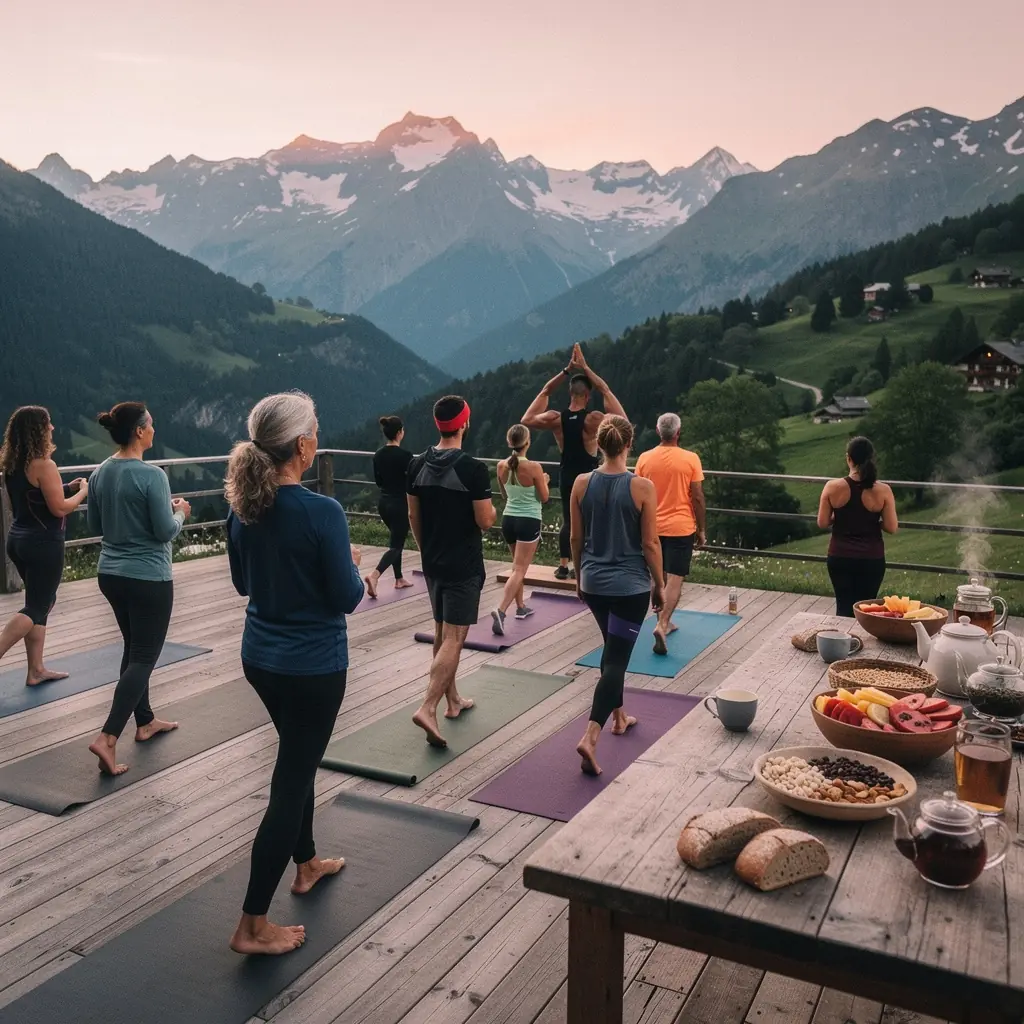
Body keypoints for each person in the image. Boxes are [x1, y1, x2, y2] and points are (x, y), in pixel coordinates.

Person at [225, 391, 364, 956]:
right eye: (317, 429)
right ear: (304, 446)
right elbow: (347, 597)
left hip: (261, 659)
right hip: (312, 668)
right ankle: (252, 924)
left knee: (297, 760)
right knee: (289, 781)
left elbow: (242, 584)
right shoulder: (322, 512)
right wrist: (354, 571)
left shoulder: (245, 507)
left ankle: (305, 864)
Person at [86, 403, 191, 776]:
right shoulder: (153, 476)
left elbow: (95, 523)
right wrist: (182, 512)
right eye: (151, 423)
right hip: (148, 577)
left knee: (134, 650)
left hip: (110, 575)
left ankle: (144, 721)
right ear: (140, 432)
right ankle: (108, 737)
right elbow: (165, 531)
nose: (154, 428)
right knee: (145, 656)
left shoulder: (99, 473)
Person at [570, 416, 664, 776]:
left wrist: (580, 576)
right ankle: (591, 737)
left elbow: (576, 539)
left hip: (594, 583)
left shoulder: (581, 483)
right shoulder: (642, 487)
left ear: (600, 444)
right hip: (629, 589)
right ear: (628, 445)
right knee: (616, 661)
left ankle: (620, 716)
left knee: (612, 651)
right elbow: (650, 543)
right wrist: (660, 583)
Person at [407, 395, 496, 747]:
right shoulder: (473, 469)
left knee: (442, 630)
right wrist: (493, 513)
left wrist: (424, 549)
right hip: (464, 563)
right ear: (465, 424)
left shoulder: (415, 465)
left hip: (433, 561)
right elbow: (485, 520)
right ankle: (428, 706)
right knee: (454, 638)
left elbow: (414, 515)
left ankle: (452, 700)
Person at [522, 342, 626, 581]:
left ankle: (562, 566)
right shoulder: (594, 419)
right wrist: (587, 369)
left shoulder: (555, 418)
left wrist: (565, 372)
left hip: (567, 475)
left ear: (570, 393)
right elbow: (620, 415)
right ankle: (591, 563)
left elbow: (528, 415)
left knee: (569, 520)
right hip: (590, 475)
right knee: (593, 518)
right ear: (587, 396)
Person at [0, 406, 88, 684]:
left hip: (18, 540)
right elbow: (60, 509)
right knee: (38, 606)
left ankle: (35, 669)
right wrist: (83, 492)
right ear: (38, 430)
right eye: (48, 424)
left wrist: (65, 487)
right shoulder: (44, 464)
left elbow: (33, 497)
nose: (52, 429)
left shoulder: (12, 465)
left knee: (37, 602)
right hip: (43, 543)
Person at [634, 412, 706, 655]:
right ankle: (663, 624)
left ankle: (661, 621)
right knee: (675, 578)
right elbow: (697, 496)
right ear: (678, 432)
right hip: (681, 526)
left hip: (652, 526)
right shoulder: (691, 459)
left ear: (657, 432)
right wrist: (702, 528)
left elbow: (637, 494)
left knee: (657, 577)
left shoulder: (644, 458)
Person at [817, 435, 898, 617]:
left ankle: (842, 643)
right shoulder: (883, 490)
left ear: (849, 458)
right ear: (872, 458)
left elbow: (822, 522)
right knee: (866, 610)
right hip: (871, 559)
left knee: (844, 608)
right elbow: (891, 527)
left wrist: (839, 515)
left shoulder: (832, 487)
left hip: (840, 557)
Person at [491, 424, 549, 635]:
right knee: (520, 569)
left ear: (510, 442)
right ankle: (501, 610)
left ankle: (521, 607)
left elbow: (505, 495)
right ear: (528, 441)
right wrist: (544, 481)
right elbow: (544, 498)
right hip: (528, 520)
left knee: (516, 566)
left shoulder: (500, 466)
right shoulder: (534, 467)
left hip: (509, 520)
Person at [364, 415, 414, 598]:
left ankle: (399, 578)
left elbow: (378, 481)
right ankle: (374, 575)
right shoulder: (406, 456)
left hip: (384, 503)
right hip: (400, 503)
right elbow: (411, 482)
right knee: (396, 545)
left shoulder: (378, 455)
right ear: (400, 432)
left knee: (395, 540)